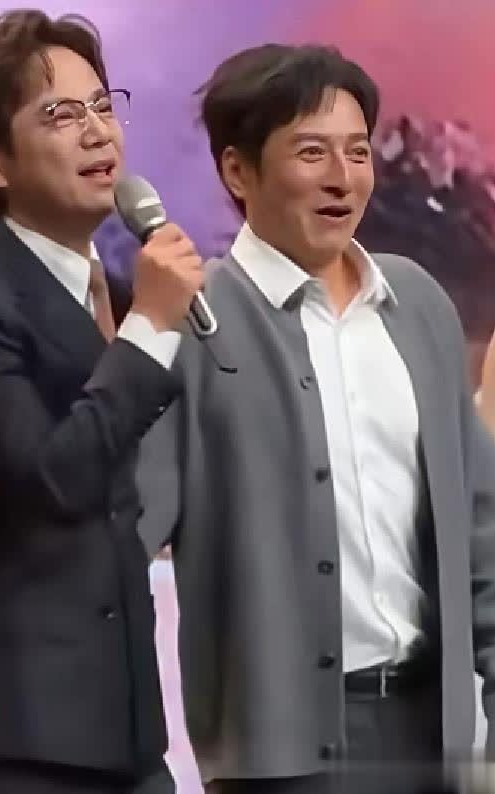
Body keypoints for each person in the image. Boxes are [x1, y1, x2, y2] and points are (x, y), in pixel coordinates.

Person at [136, 44, 495, 793]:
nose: (342, 177)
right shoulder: (192, 325)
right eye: (311, 152)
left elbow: (481, 528)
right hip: (279, 762)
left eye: (356, 151)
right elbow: (116, 536)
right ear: (238, 171)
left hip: (434, 739)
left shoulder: (416, 304)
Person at [0, 10, 203, 794]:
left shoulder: (112, 290)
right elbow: (49, 482)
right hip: (20, 744)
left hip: (129, 736)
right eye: (61, 115)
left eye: (103, 106)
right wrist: (149, 331)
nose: (98, 132)